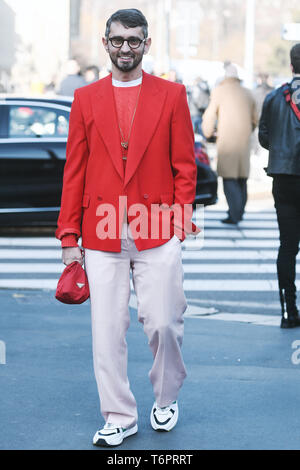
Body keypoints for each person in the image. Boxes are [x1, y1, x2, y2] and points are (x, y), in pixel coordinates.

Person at [55, 8, 198, 446]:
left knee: (163, 323)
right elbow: (74, 171)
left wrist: (179, 225)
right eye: (117, 40)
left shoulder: (172, 95)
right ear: (106, 43)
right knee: (106, 332)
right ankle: (119, 415)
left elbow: (185, 167)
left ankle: (166, 396)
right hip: (100, 233)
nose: (125, 48)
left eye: (134, 41)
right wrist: (68, 237)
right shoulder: (85, 98)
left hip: (158, 228)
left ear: (146, 45)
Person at [259, 43, 300, 329]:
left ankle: (288, 309)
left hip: (283, 177)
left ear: (291, 65)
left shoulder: (274, 97)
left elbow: (264, 137)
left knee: (287, 245)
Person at [201, 64, 258, 224]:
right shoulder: (248, 93)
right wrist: (247, 130)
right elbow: (255, 119)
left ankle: (234, 214)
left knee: (229, 178)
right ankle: (239, 212)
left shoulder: (219, 91)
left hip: (226, 141)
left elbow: (209, 116)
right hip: (244, 141)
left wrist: (209, 133)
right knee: (242, 178)